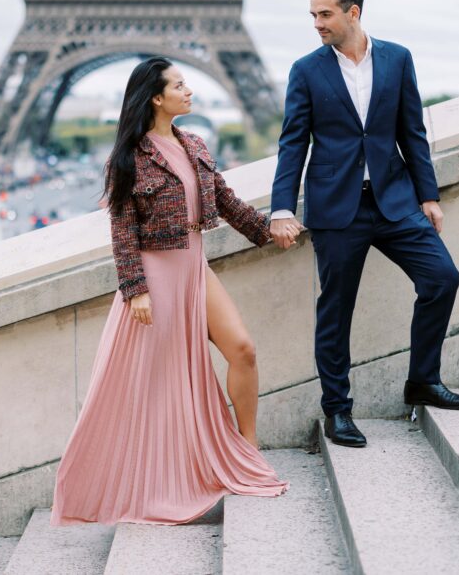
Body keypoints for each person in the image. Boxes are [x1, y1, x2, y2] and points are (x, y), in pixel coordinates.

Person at [50, 57, 288, 526]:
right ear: (157, 98)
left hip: (194, 269)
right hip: (156, 280)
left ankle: (248, 450)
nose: (189, 91)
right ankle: (150, 477)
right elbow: (122, 231)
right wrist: (135, 289)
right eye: (180, 85)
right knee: (156, 386)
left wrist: (271, 230)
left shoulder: (195, 144)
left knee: (242, 348)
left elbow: (227, 202)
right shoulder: (128, 158)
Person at [269, 0, 459, 449]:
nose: (317, 23)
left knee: (441, 277)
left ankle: (423, 380)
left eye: (325, 14)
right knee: (336, 312)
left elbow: (412, 131)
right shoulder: (307, 69)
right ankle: (338, 410)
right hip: (336, 209)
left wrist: (429, 195)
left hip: (394, 200)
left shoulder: (398, 59)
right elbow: (292, 144)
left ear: (353, 12)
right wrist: (281, 207)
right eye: (313, 15)